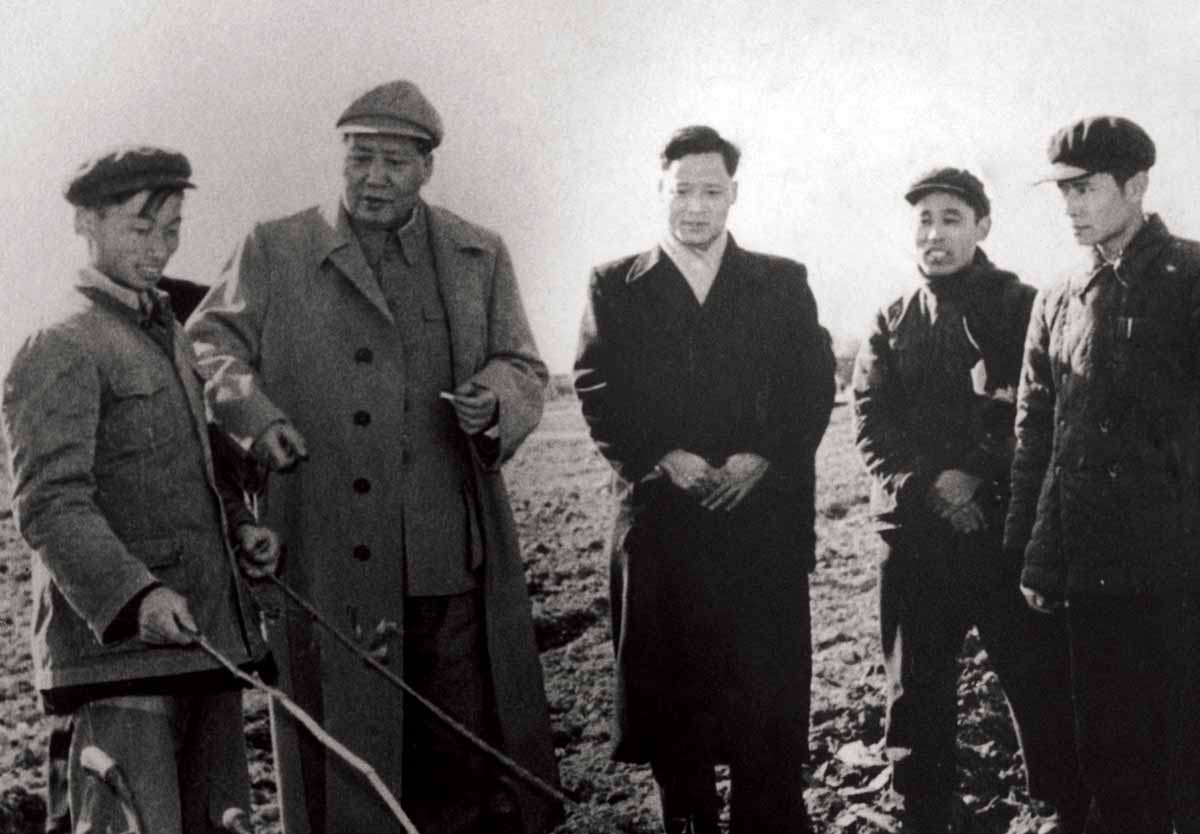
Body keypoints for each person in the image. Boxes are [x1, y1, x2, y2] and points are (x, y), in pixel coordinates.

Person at [187, 80, 560, 834]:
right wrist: (254, 417)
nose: (374, 178)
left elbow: (523, 365)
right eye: (359, 158)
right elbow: (205, 343)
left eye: (394, 162)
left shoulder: (475, 253)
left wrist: (493, 398)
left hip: (443, 556)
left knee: (455, 749)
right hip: (325, 548)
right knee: (346, 753)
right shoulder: (274, 246)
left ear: (427, 169)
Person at [2, 145, 279, 834]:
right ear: (86, 224)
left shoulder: (168, 334)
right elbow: (49, 502)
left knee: (219, 822)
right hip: (120, 656)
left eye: (173, 228)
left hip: (201, 640)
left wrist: (241, 529)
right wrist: (139, 594)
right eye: (140, 228)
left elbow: (189, 468)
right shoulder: (61, 341)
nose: (160, 247)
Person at [574, 125, 835, 834]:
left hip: (761, 533)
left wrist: (764, 458)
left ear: (734, 196)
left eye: (711, 191)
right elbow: (597, 387)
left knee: (765, 714)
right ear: (660, 191)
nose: (696, 206)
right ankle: (687, 821)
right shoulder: (616, 285)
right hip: (664, 532)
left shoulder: (781, 282)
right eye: (682, 190)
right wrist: (664, 455)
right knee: (676, 717)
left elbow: (813, 386)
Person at [852, 167, 1088, 832]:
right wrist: (932, 483)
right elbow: (871, 420)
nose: (935, 233)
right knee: (916, 684)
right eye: (924, 219)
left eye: (951, 218)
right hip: (914, 534)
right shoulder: (889, 317)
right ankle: (924, 809)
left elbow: (1040, 409)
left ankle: (1064, 806)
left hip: (1000, 528)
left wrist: (977, 477)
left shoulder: (1027, 304)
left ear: (982, 226)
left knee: (1036, 671)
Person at [1004, 115, 1200, 834]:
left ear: (1137, 184)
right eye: (1064, 193)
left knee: (1187, 761)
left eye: (1085, 189)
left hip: (1181, 575)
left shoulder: (1192, 278)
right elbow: (1036, 436)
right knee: (1113, 766)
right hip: (1092, 578)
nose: (1072, 206)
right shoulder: (1057, 298)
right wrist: (1033, 552)